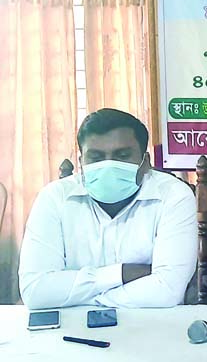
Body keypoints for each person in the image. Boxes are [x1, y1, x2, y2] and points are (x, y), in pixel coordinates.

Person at [18, 108, 197, 308]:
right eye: (96, 157)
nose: (108, 166)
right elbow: (35, 291)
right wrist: (122, 273)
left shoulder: (173, 195)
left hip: (153, 325)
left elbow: (167, 292)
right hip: (71, 328)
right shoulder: (54, 198)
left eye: (121, 155)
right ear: (81, 163)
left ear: (145, 162)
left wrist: (86, 298)